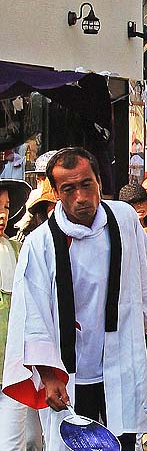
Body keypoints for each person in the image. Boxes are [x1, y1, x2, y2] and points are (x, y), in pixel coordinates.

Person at [2, 148, 147, 451]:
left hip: (119, 355)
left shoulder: (124, 219)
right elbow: (31, 312)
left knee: (124, 439)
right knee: (71, 444)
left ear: (99, 181)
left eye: (86, 184)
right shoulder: (40, 244)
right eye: (68, 189)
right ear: (57, 193)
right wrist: (48, 374)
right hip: (68, 370)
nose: (80, 197)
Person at [0, 178, 40, 450]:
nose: (2, 213)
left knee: (20, 441)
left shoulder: (16, 250)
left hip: (14, 367)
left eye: (5, 206)